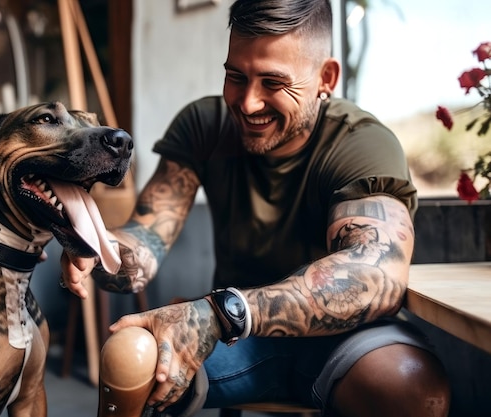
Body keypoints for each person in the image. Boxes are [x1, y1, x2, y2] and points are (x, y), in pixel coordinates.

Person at [60, 0, 451, 416]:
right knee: (130, 353)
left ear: (326, 77)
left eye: (273, 83)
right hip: (233, 342)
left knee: (410, 387)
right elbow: (146, 240)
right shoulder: (203, 125)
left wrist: (222, 312)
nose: (247, 103)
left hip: (346, 338)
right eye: (236, 76)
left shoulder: (361, 142)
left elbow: (375, 275)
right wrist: (97, 248)